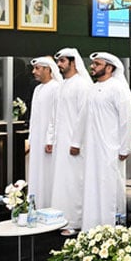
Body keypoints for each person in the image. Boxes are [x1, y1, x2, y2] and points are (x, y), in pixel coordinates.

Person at [77, 52, 131, 231]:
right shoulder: (93, 88)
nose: (92, 66)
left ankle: (112, 230)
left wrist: (124, 147)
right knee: (92, 187)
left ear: (109, 68)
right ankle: (91, 228)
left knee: (110, 188)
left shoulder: (118, 88)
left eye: (97, 64)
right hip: (92, 149)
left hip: (111, 149)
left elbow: (126, 120)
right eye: (92, 63)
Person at [51, 48, 93, 236]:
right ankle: (62, 218)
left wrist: (76, 142)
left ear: (73, 62)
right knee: (63, 182)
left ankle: (75, 222)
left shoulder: (82, 85)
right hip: (62, 143)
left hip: (75, 145)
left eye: (62, 61)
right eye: (58, 62)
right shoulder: (64, 84)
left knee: (74, 182)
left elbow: (83, 117)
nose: (59, 65)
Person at [27, 56, 62, 208]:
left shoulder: (56, 88)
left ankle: (48, 206)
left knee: (48, 174)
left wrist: (50, 139)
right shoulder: (38, 89)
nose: (34, 72)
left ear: (48, 69)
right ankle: (36, 205)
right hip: (36, 139)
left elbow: (55, 117)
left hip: (49, 142)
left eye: (38, 68)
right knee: (36, 173)